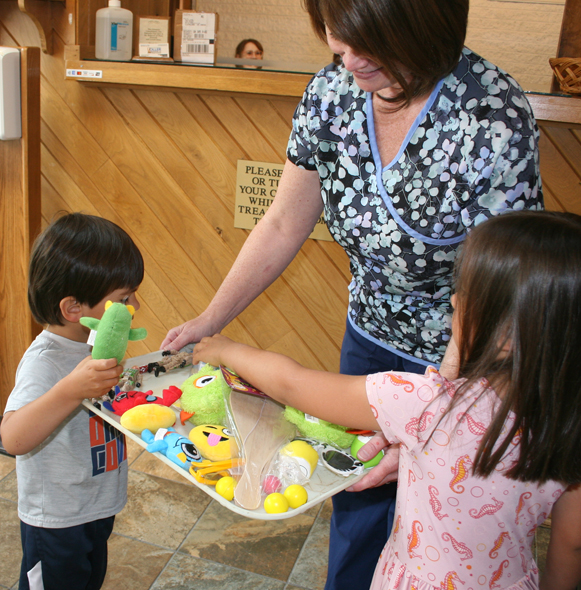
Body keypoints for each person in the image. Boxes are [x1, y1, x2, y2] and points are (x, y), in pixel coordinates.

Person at [162, 0, 543, 587]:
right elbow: (284, 223)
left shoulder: (493, 113)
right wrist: (210, 319)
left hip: (466, 365)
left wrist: (438, 417)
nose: (349, 61)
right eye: (338, 44)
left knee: (440, 525)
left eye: (368, 46)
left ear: (420, 28)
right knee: (357, 500)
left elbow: (512, 285)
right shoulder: (330, 95)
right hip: (368, 336)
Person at [192, 211, 581, 590]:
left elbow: (294, 385)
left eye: (466, 296)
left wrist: (228, 350)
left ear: (507, 338)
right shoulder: (570, 421)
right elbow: (571, 542)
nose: (454, 301)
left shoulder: (423, 403)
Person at [0, 212, 144, 590]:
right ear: (73, 309)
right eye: (124, 299)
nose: (136, 308)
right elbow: (13, 439)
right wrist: (70, 389)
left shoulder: (93, 345)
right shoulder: (44, 361)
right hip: (57, 521)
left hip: (95, 505)